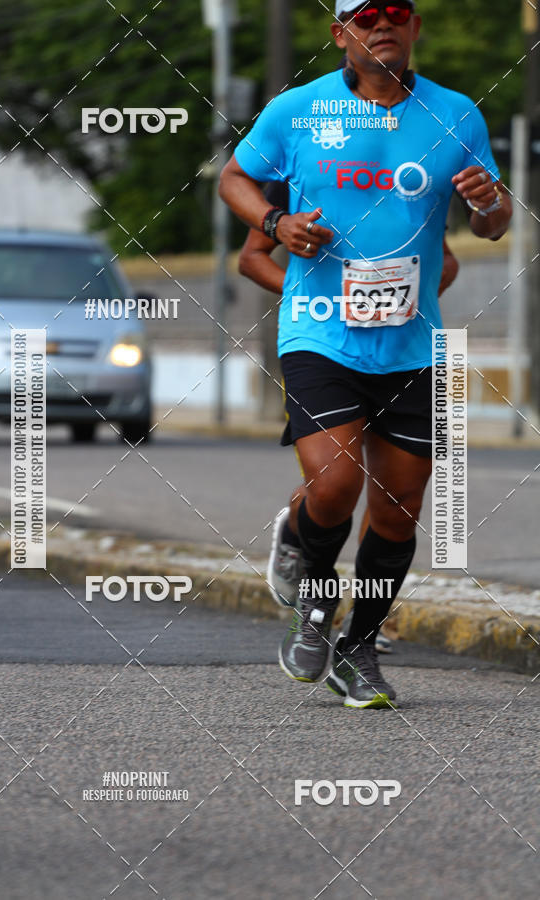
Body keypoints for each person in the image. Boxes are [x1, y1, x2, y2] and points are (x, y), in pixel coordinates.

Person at [220, 0, 511, 708]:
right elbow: (234, 178)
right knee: (334, 485)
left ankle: (358, 650)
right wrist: (277, 223)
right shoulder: (297, 109)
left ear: (414, 28)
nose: (383, 24)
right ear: (340, 32)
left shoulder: (457, 114)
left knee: (399, 508)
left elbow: (494, 224)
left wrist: (488, 202)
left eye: (397, 13)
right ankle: (313, 592)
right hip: (319, 331)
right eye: (366, 14)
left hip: (411, 343)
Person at [240, 182, 460, 655]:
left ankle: (361, 632)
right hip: (325, 347)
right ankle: (299, 540)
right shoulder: (301, 168)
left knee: (394, 500)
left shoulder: (416, 173)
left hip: (404, 354)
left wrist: (402, 302)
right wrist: (317, 293)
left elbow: (447, 260)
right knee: (336, 485)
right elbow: (251, 258)